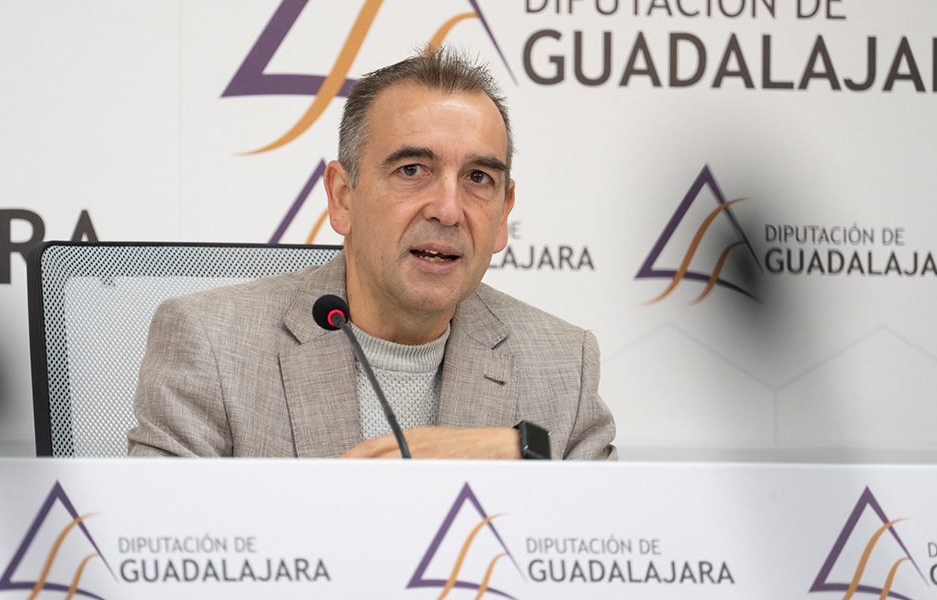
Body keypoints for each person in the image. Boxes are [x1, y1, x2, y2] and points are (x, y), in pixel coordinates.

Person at [128, 46, 616, 460]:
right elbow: (164, 530)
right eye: (412, 170)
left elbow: (602, 530)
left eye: (478, 178)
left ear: (503, 213)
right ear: (343, 197)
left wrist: (523, 452)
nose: (449, 210)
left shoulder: (562, 366)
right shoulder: (214, 345)